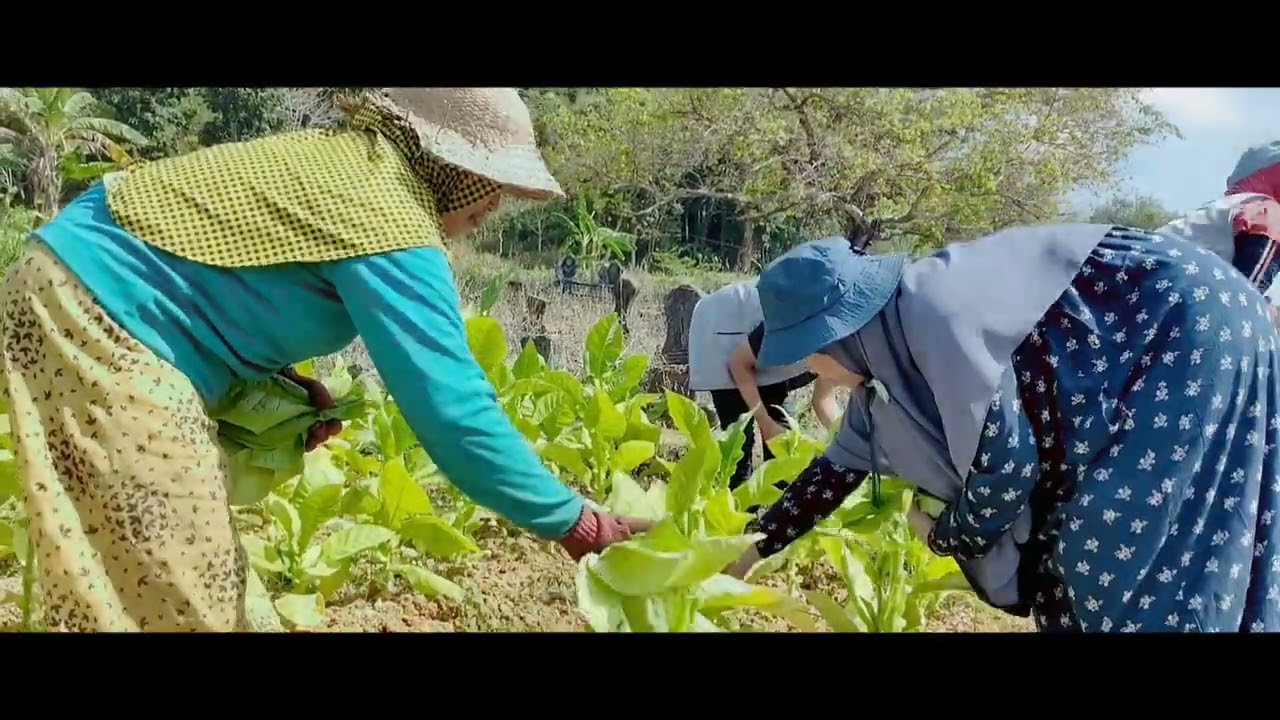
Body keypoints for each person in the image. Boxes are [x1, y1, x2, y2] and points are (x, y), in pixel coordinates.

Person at [0, 88, 649, 633]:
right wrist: (578, 522)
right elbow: (453, 409)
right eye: (491, 184)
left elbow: (209, 276)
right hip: (83, 316)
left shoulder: (352, 172)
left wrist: (272, 385)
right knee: (172, 586)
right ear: (443, 160)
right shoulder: (385, 211)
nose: (493, 207)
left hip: (76, 298)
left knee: (215, 587)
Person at [724, 227, 1280, 633]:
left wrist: (941, 535)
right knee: (1084, 568)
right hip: (1185, 321)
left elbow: (1006, 469)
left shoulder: (933, 315)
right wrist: (740, 549)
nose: (812, 371)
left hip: (1176, 324)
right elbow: (831, 476)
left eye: (807, 358)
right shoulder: (888, 360)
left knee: (1115, 563)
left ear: (835, 337)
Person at [687, 279, 843, 490]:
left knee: (783, 446)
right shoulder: (796, 324)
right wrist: (765, 422)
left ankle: (778, 513)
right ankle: (740, 515)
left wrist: (852, 444)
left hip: (764, 350)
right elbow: (738, 365)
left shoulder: (842, 343)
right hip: (724, 328)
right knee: (739, 443)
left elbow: (823, 401)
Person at [1153, 140, 1280, 311]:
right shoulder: (1267, 213)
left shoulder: (1223, 207)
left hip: (1143, 272)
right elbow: (1244, 298)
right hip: (1167, 284)